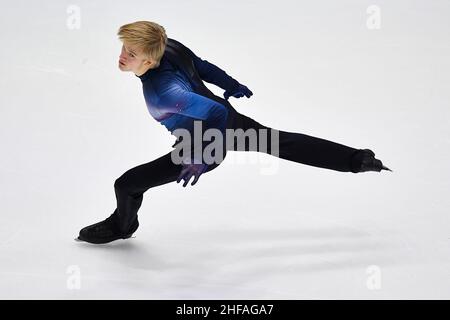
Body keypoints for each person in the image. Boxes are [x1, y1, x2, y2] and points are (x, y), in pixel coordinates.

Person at [77, 21, 392, 244]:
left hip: (202, 142)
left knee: (127, 184)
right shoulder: (168, 45)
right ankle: (356, 159)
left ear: (148, 59)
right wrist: (230, 84)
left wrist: (201, 157)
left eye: (130, 54)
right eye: (124, 48)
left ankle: (123, 225)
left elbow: (214, 113)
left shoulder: (161, 92)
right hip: (227, 123)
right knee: (280, 142)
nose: (122, 56)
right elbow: (200, 66)